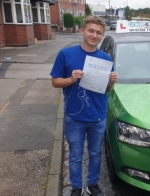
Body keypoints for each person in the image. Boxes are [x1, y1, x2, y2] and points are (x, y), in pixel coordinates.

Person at [50, 16, 117, 196]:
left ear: (102, 35)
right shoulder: (66, 54)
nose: (94, 35)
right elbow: (55, 82)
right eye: (91, 31)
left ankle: (92, 184)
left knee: (95, 154)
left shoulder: (105, 58)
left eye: (98, 33)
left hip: (97, 115)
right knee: (75, 155)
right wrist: (71, 79)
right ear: (82, 31)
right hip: (74, 117)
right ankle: (76, 187)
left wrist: (111, 82)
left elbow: (107, 89)